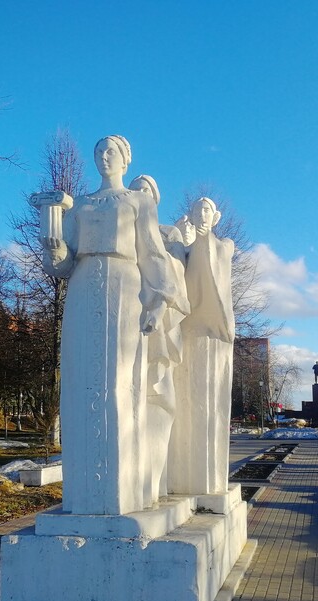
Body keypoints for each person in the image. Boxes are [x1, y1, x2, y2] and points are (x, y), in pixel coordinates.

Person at [41, 136, 181, 515]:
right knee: (81, 378)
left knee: (122, 381)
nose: (105, 158)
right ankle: (84, 493)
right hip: (84, 285)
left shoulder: (138, 201)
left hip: (124, 285)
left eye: (112, 152)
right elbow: (61, 265)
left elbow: (153, 254)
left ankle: (125, 490)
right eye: (99, 152)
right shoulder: (82, 204)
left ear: (126, 159)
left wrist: (160, 302)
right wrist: (52, 243)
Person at [168, 197, 235, 496]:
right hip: (186, 334)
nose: (201, 214)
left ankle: (206, 480)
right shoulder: (186, 248)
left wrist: (196, 242)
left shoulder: (225, 246)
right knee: (185, 407)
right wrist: (179, 248)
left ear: (216, 216)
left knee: (209, 405)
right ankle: (181, 477)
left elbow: (213, 269)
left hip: (212, 335)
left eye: (206, 210)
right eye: (197, 211)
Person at [128, 174, 189, 501]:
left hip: (159, 318)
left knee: (160, 391)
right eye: (135, 189)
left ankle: (156, 476)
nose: (138, 194)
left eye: (145, 190)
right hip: (128, 313)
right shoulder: (122, 222)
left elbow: (176, 273)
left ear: (155, 196)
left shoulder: (168, 232)